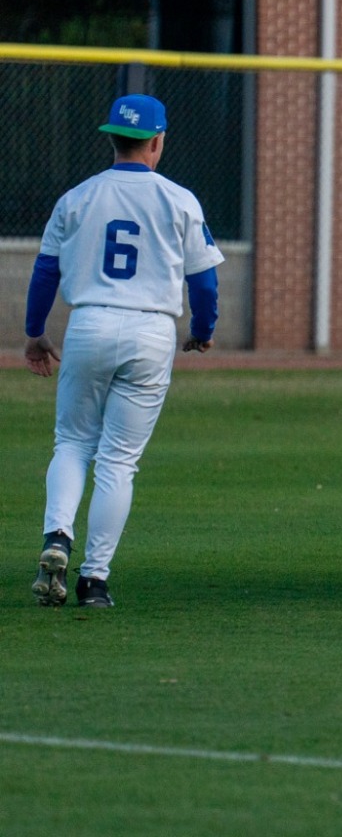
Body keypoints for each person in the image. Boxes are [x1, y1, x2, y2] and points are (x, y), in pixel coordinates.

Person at [27, 94, 224, 609]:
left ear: (112, 138)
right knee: (118, 461)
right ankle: (94, 581)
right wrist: (202, 330)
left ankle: (57, 536)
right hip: (151, 331)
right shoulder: (179, 199)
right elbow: (204, 282)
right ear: (157, 141)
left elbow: (46, 271)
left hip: (89, 322)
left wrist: (34, 332)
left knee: (72, 443)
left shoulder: (77, 197)